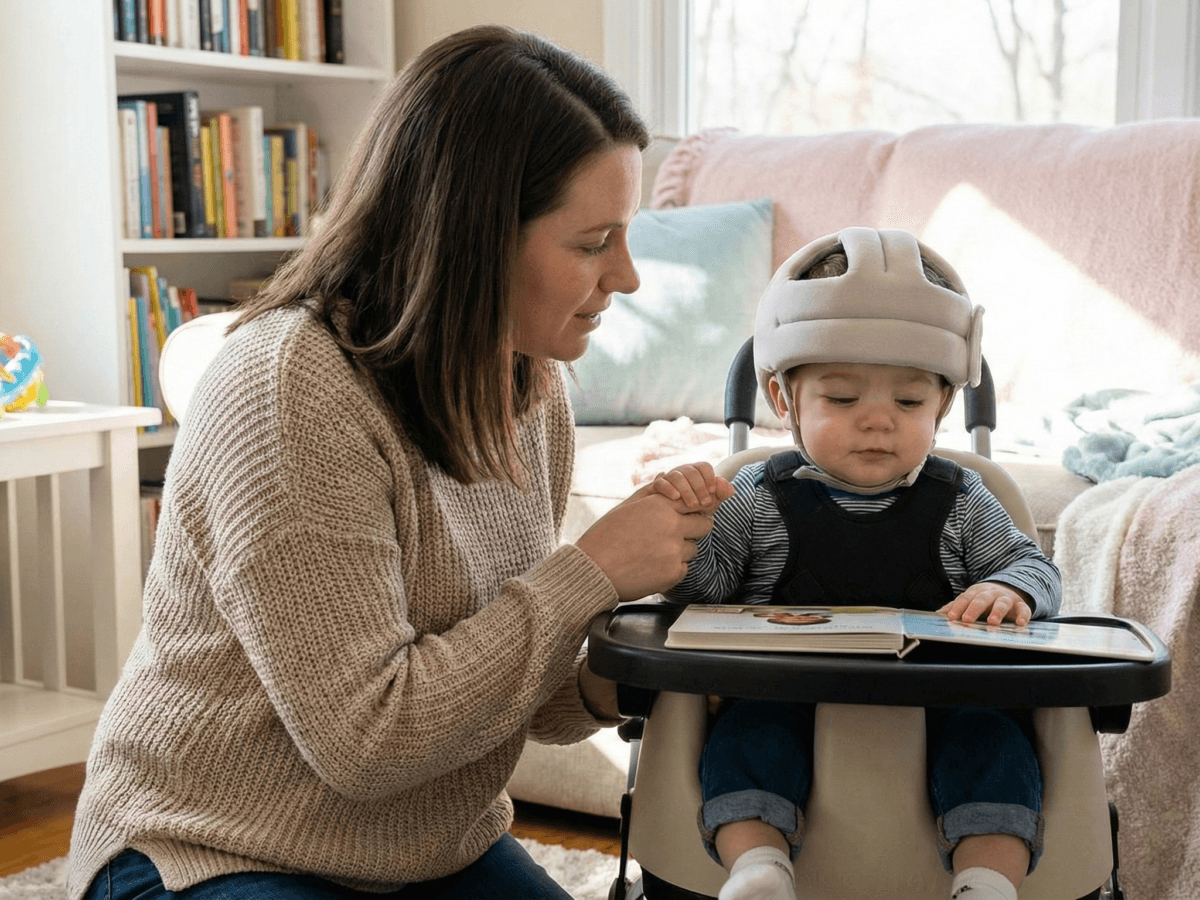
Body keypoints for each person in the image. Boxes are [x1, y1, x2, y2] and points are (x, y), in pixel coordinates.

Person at [66, 25, 730, 900]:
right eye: (592, 241)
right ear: (471, 236)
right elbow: (367, 741)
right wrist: (591, 570)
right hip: (211, 847)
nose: (630, 277)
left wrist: (659, 650)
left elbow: (521, 699)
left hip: (428, 852)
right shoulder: (289, 389)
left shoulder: (531, 387)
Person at [651, 227, 1061, 900]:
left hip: (943, 707)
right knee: (746, 735)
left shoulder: (964, 499)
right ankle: (758, 870)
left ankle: (987, 882)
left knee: (994, 743)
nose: (878, 421)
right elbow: (705, 592)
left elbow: (1033, 565)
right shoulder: (754, 497)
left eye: (908, 402)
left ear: (944, 406)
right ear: (784, 402)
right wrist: (679, 539)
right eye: (842, 400)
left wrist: (1009, 588)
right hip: (785, 698)